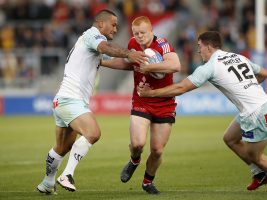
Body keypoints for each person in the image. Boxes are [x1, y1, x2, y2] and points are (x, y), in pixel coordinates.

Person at [58, 16, 181, 194]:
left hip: (164, 103)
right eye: (136, 33)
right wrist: (102, 62)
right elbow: (127, 64)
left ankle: (147, 182)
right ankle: (134, 160)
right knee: (138, 144)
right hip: (141, 100)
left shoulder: (162, 44)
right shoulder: (132, 44)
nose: (139, 36)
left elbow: (175, 65)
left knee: (157, 150)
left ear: (151, 31)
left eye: (143, 33)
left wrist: (148, 67)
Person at [137, 31, 267, 190]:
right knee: (230, 138)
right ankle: (259, 175)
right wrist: (249, 88)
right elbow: (264, 73)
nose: (198, 51)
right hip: (263, 104)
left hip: (255, 114)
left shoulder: (210, 66)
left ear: (208, 46)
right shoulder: (238, 57)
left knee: (255, 157)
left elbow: (181, 87)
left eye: (199, 46)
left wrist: (149, 93)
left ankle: (260, 170)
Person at [36, 9, 147, 195]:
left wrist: (145, 64)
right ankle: (67, 175)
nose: (116, 28)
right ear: (101, 24)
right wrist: (129, 53)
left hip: (63, 100)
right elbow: (106, 49)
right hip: (71, 99)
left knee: (62, 147)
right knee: (93, 133)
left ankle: (47, 183)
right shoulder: (92, 35)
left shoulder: (91, 45)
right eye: (113, 24)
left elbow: (114, 60)